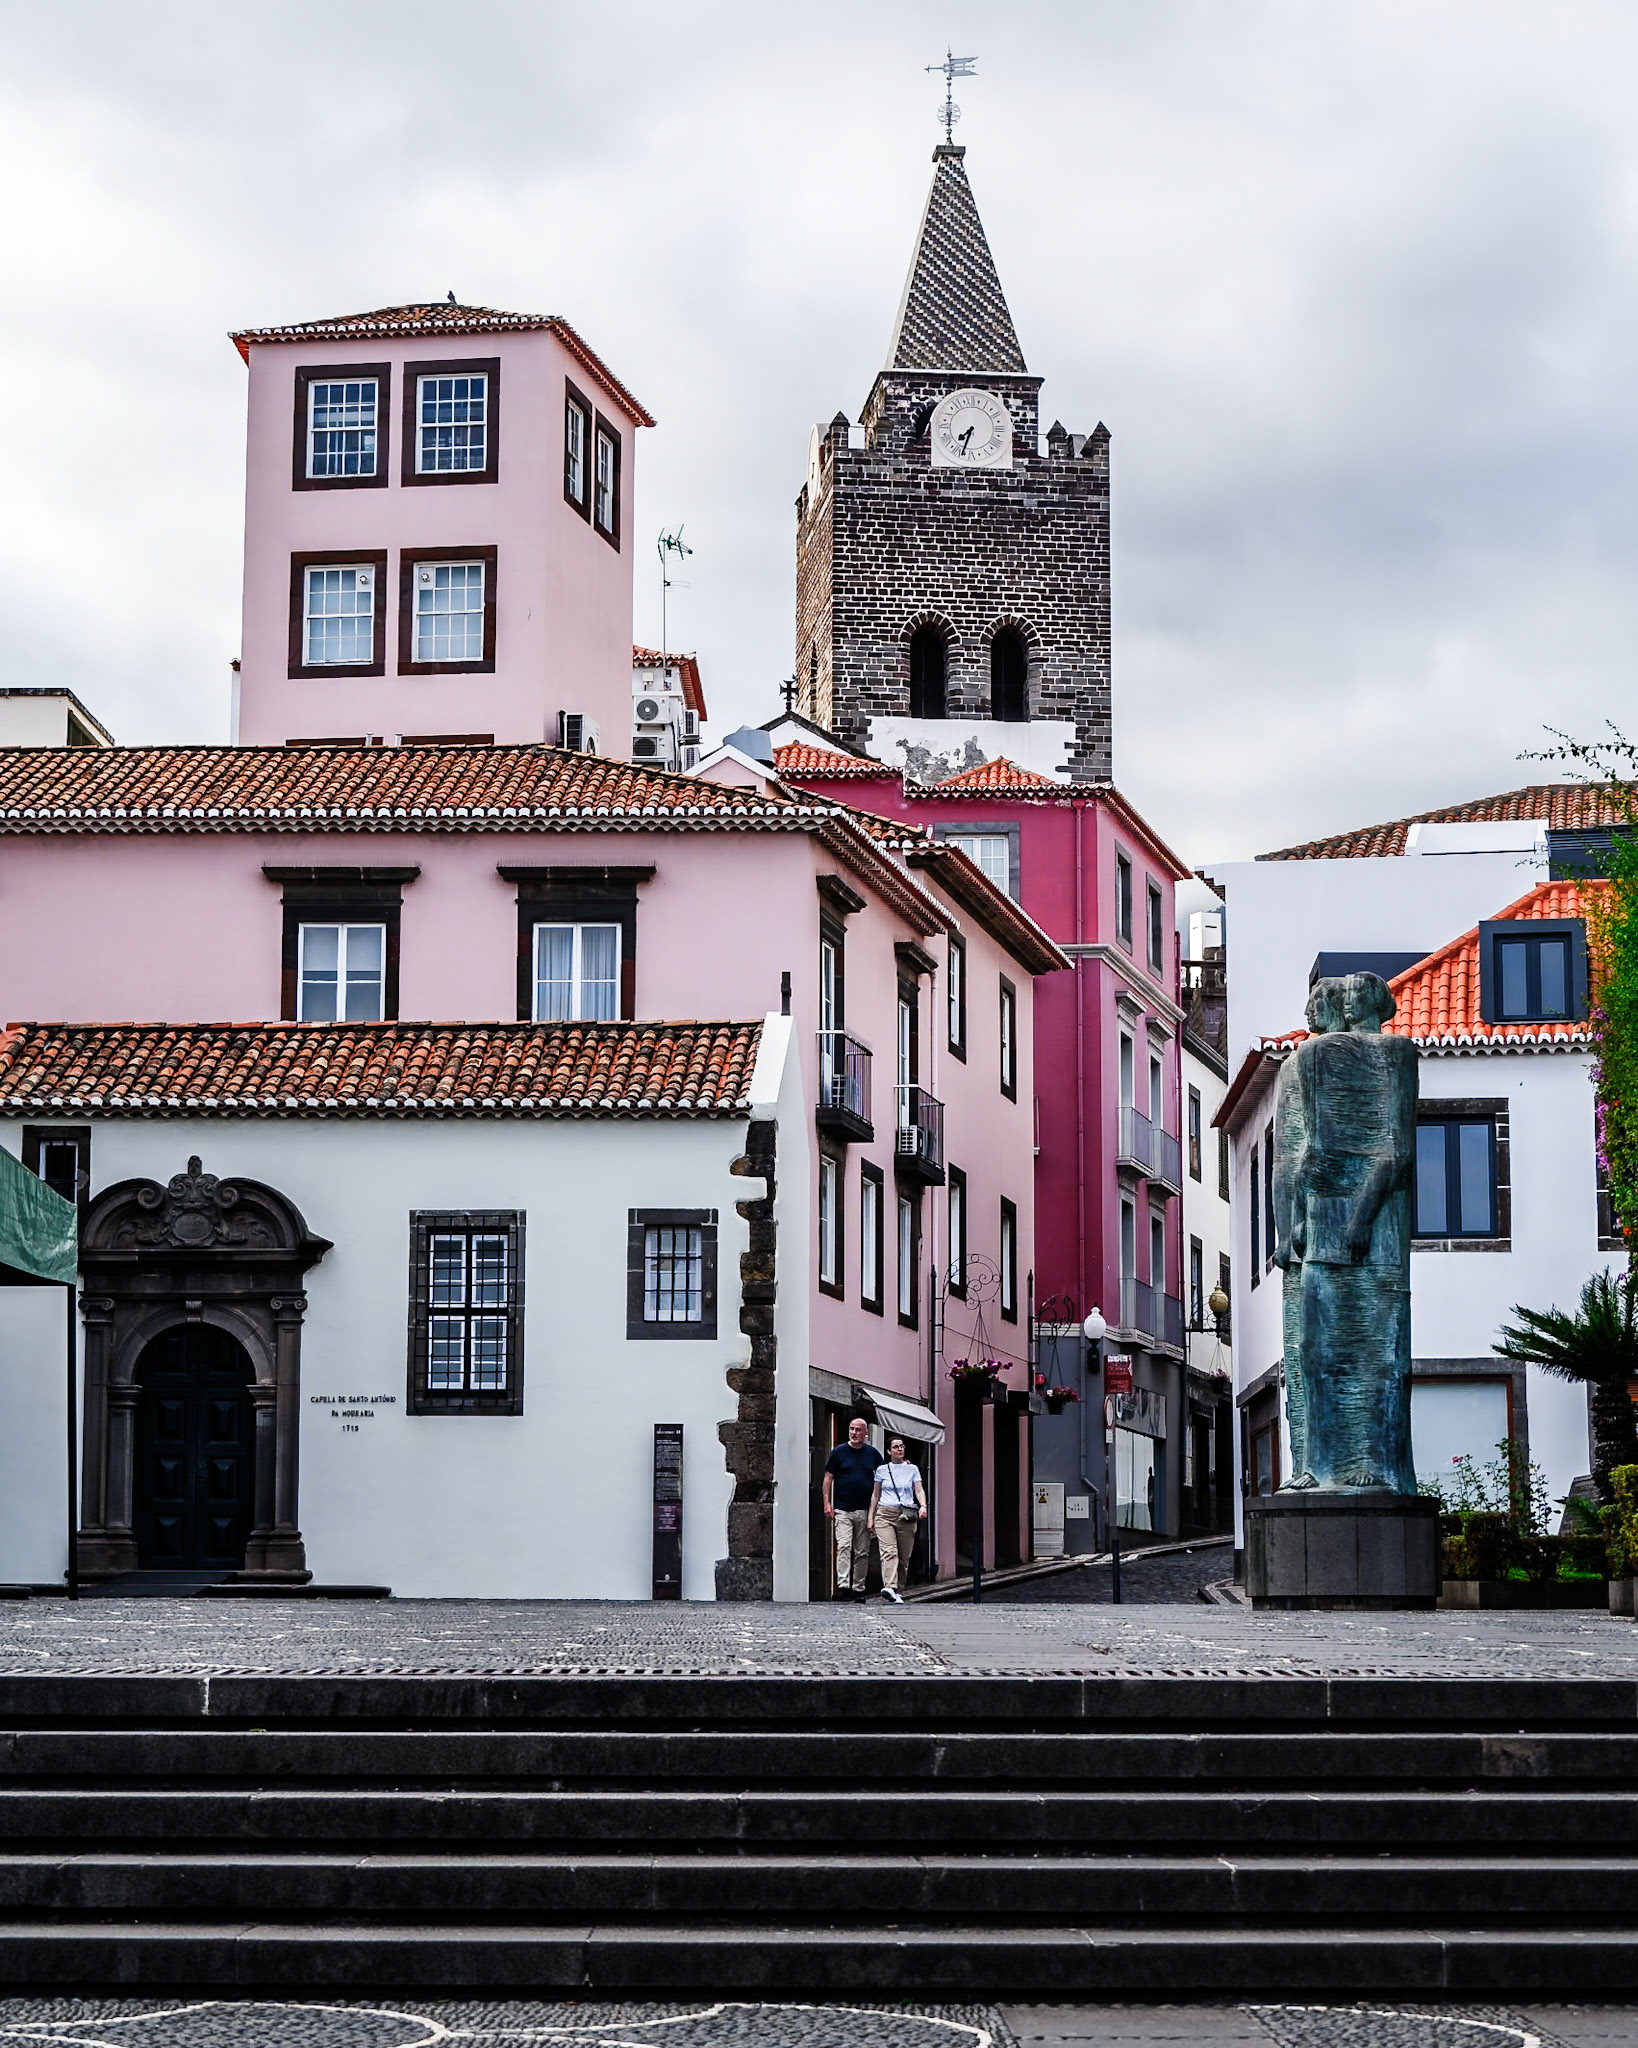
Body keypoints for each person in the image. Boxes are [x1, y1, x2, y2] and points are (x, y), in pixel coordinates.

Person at [821, 1417, 880, 1599]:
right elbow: (828, 1477)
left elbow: (884, 1474)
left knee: (862, 1551)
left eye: (858, 1430)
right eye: (852, 1429)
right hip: (843, 1509)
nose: (854, 1433)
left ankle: (858, 1587)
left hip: (864, 1509)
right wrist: (826, 1502)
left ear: (865, 1433)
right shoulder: (839, 1452)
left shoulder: (872, 1454)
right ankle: (843, 1585)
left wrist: (903, 1464)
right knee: (844, 1546)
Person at [868, 1436, 927, 1602]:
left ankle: (897, 1589)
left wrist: (923, 1505)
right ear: (889, 1451)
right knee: (889, 1552)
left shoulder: (912, 1469)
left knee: (903, 1557)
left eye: (901, 1446)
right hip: (885, 1513)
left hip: (906, 1515)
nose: (899, 1449)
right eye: (895, 1447)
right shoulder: (882, 1470)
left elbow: (919, 1490)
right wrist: (871, 1517)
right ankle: (889, 1587)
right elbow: (875, 1495)